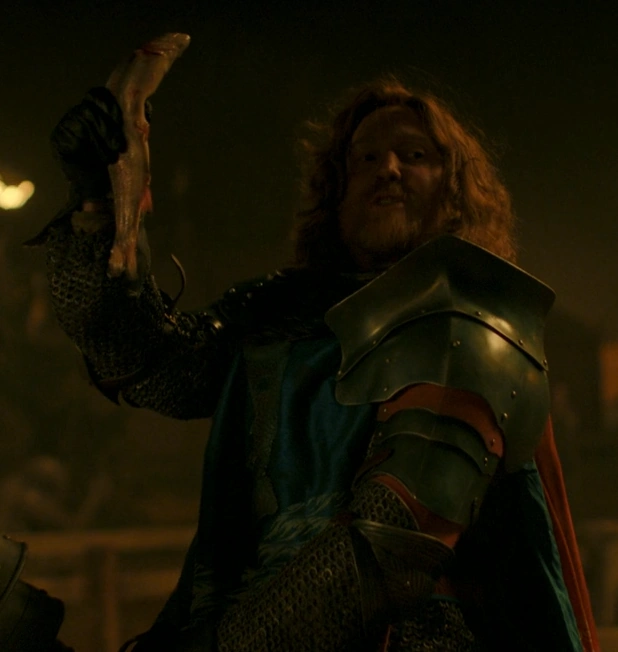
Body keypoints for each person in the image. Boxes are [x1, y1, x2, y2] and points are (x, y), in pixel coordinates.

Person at [29, 76, 598, 651]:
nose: (389, 169)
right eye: (366, 158)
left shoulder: (472, 326)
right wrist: (98, 203)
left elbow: (387, 547)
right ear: (338, 189)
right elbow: (151, 366)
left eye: (414, 155)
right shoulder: (278, 313)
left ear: (453, 189)